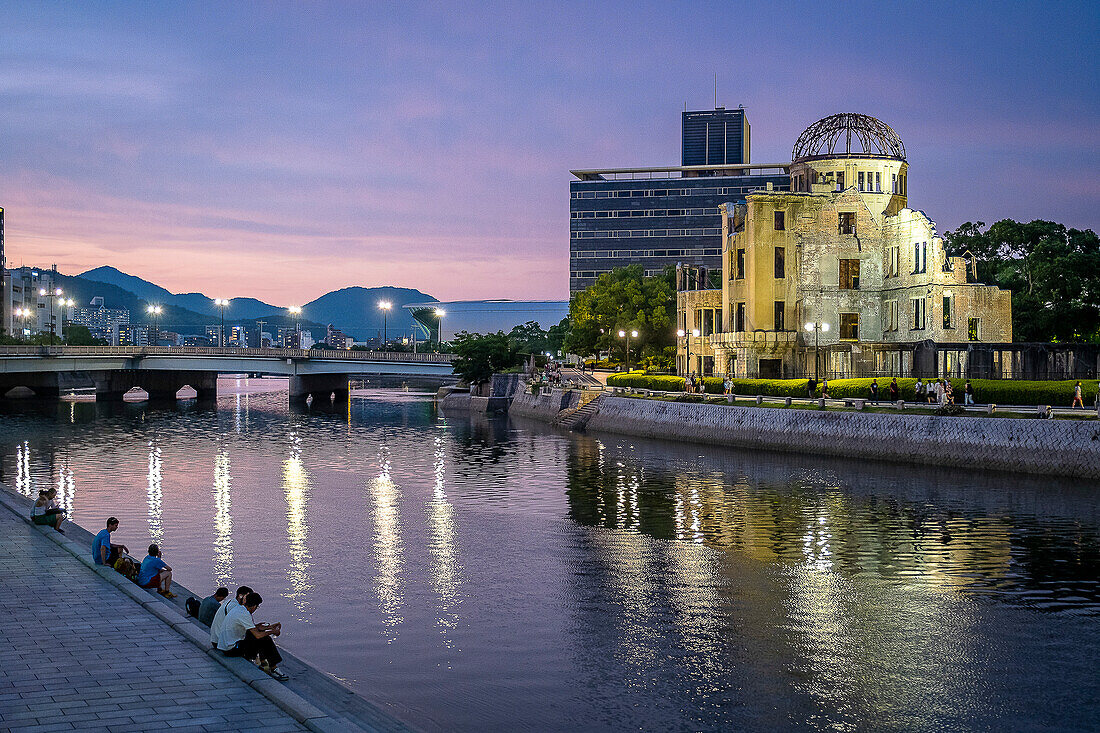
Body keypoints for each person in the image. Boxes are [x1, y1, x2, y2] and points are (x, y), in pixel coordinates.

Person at [216, 591, 289, 681]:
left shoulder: (239, 609)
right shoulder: (244, 614)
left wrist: (269, 627)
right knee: (265, 639)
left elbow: (252, 628)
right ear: (254, 606)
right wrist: (272, 631)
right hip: (231, 649)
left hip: (226, 645)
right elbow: (257, 635)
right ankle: (274, 668)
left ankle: (264, 665)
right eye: (257, 607)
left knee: (259, 635)